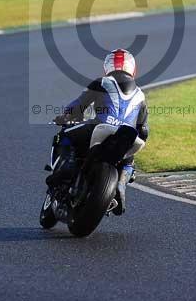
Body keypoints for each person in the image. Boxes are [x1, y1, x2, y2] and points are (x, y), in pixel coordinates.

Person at [48, 48, 148, 215]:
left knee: (64, 135)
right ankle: (121, 186)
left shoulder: (102, 82)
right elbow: (144, 129)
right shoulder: (141, 95)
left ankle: (67, 167)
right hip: (129, 137)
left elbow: (78, 105)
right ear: (133, 68)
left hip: (101, 127)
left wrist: (65, 117)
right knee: (129, 161)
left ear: (107, 67)